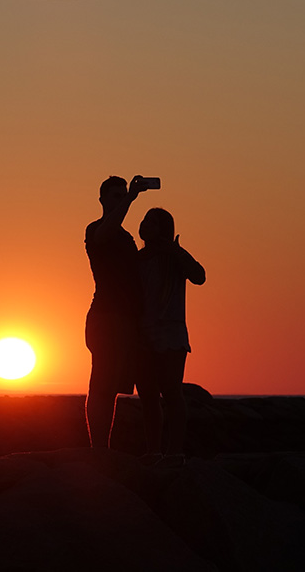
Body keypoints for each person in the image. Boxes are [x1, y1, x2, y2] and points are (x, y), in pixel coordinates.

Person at [84, 175, 154, 448]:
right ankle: (98, 449)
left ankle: (104, 449)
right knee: (100, 383)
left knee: (112, 386)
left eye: (122, 194)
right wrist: (130, 199)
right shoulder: (95, 229)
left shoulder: (126, 238)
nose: (121, 199)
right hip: (104, 317)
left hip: (127, 321)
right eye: (116, 195)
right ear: (102, 199)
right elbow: (105, 234)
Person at [134, 207, 205, 466]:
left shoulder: (174, 257)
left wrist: (176, 250)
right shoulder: (137, 259)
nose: (144, 225)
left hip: (170, 331)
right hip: (142, 334)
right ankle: (153, 451)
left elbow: (199, 276)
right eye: (144, 220)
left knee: (172, 392)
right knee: (148, 395)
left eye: (151, 221)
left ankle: (175, 452)